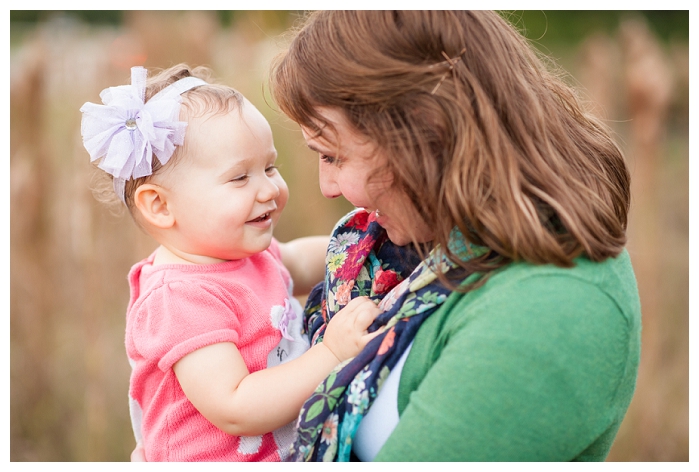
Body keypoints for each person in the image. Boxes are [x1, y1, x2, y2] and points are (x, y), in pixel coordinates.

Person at [268, 10, 642, 461]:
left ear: (423, 133)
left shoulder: (551, 309)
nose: (328, 188)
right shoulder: (417, 246)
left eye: (332, 156)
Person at [80, 64, 382, 461]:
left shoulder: (249, 255)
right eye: (240, 178)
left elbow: (308, 260)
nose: (269, 188)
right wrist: (330, 354)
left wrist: (369, 240)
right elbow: (235, 406)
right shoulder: (180, 298)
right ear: (159, 205)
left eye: (270, 167)